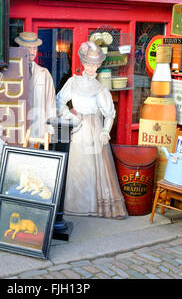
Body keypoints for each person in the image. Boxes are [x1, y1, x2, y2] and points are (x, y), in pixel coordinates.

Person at [56, 41, 128, 219]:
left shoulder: (101, 89)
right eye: (88, 63)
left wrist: (105, 132)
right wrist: (69, 116)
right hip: (78, 129)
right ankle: (75, 207)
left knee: (94, 169)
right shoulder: (73, 82)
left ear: (99, 66)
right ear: (83, 63)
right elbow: (59, 101)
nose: (91, 67)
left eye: (95, 64)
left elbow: (109, 114)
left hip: (94, 130)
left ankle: (95, 207)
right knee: (77, 167)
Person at [14, 31, 56, 140]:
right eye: (28, 48)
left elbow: (50, 102)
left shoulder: (44, 73)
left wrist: (49, 125)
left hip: (37, 125)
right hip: (16, 124)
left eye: (35, 48)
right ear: (21, 49)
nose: (32, 52)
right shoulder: (12, 72)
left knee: (34, 154)